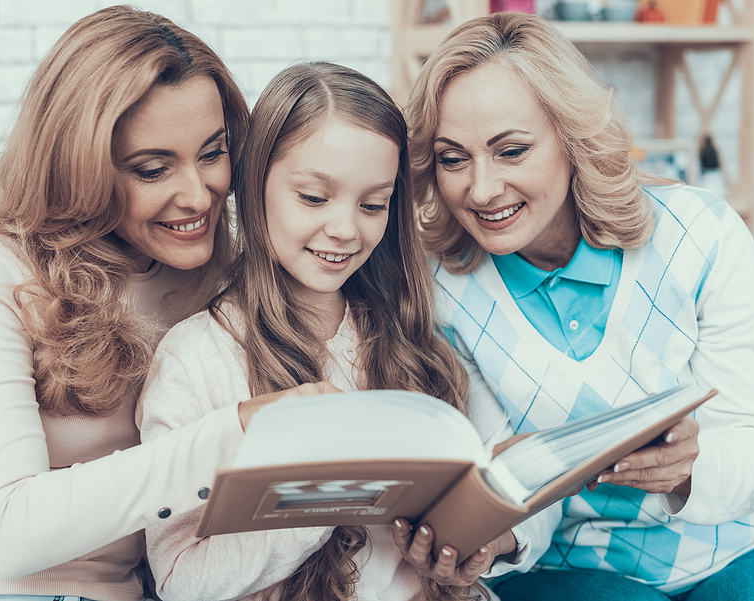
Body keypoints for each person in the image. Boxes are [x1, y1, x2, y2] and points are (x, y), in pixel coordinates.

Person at [0, 6, 330, 601]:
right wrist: (235, 432)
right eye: (153, 170)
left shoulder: (220, 278)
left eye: (213, 154)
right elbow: (11, 533)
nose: (198, 195)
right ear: (80, 170)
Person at [405, 11, 754, 601]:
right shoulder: (444, 293)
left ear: (571, 137)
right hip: (580, 565)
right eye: (453, 158)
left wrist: (692, 467)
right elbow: (515, 487)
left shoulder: (702, 235)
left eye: (511, 150)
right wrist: (492, 539)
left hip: (742, 538)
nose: (481, 190)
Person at [138, 61, 553, 601]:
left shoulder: (410, 338)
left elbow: (488, 505)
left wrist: (473, 542)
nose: (344, 228)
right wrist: (323, 497)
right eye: (313, 198)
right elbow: (177, 580)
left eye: (372, 205)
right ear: (253, 183)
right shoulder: (196, 359)